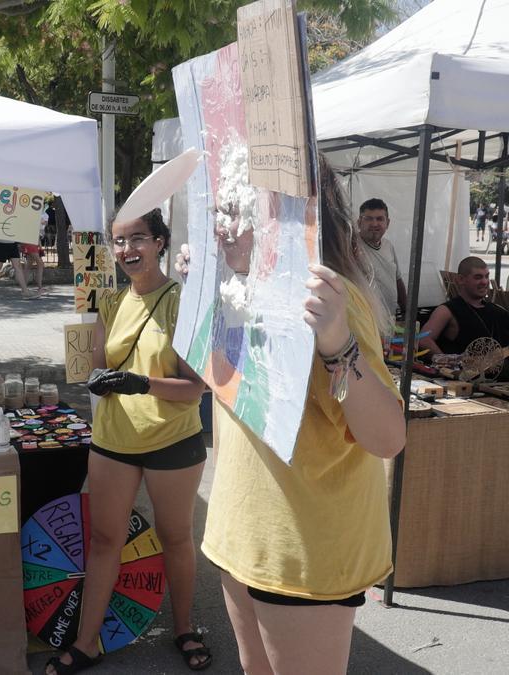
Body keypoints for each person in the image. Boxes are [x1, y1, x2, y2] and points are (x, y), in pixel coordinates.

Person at [200, 161, 405, 675]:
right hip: (245, 535)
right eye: (219, 207)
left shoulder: (329, 303)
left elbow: (386, 437)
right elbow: (223, 392)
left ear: (284, 216)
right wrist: (201, 296)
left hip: (305, 550)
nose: (221, 222)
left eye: (236, 208)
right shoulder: (240, 289)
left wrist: (337, 343)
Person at [46, 208, 210, 674]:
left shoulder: (182, 300)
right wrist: (97, 378)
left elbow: (196, 389)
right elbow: (98, 366)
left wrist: (142, 383)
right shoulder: (112, 303)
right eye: (118, 242)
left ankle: (183, 627)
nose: (126, 251)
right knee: (103, 540)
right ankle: (87, 642)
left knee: (176, 537)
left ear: (160, 242)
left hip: (172, 440)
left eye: (137, 239)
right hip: (113, 440)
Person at [420, 256, 509, 378]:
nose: (484, 282)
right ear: (461, 280)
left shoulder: (498, 311)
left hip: (498, 383)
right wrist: (448, 364)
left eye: (486, 276)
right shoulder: (446, 311)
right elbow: (423, 340)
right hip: (463, 383)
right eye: (478, 277)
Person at [356, 198, 406, 321]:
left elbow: (397, 279)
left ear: (387, 223)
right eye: (368, 218)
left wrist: (407, 311)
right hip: (363, 320)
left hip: (390, 318)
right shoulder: (351, 246)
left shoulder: (388, 246)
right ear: (359, 222)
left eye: (379, 219)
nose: (374, 224)